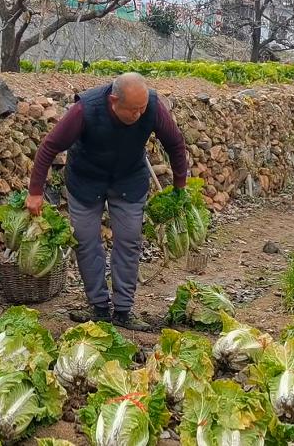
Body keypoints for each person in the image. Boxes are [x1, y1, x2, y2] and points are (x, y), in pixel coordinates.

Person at [26, 73, 189, 331]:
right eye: (133, 110)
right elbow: (49, 146)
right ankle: (99, 307)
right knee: (86, 241)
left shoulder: (153, 107)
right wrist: (36, 190)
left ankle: (124, 310)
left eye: (142, 109)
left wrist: (180, 187)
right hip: (85, 180)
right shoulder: (86, 109)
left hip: (128, 178)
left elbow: (175, 144)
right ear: (114, 100)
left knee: (129, 240)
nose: (139, 115)